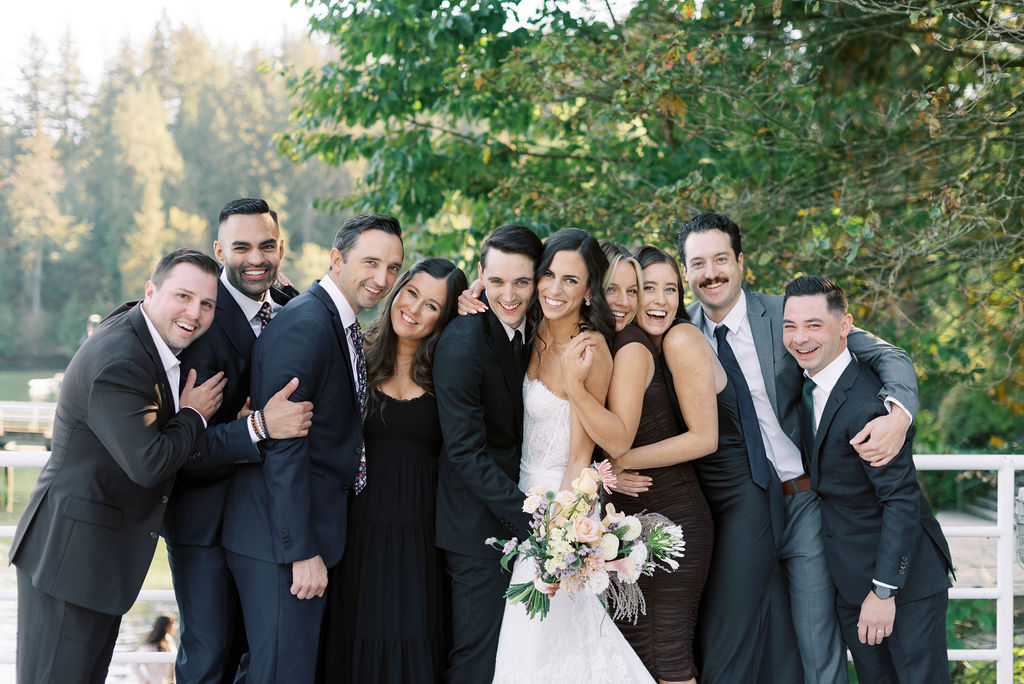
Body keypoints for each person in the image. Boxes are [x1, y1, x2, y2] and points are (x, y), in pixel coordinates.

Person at [677, 213, 921, 684]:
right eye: (698, 263)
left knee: (816, 640)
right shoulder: (677, 332)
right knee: (744, 640)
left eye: (721, 258)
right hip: (734, 513)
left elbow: (886, 354)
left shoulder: (788, 317)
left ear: (741, 262)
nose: (711, 273)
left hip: (801, 501)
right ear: (686, 272)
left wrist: (899, 413)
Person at [10, 248, 227, 684]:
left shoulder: (142, 331)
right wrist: (195, 415)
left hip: (96, 562)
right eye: (183, 296)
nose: (195, 313)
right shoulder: (121, 360)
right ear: (151, 292)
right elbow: (148, 462)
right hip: (70, 562)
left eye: (206, 304)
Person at [222, 214, 404, 684]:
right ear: (337, 259)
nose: (382, 279)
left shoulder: (331, 319)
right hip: (278, 540)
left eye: (392, 267)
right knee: (281, 674)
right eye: (370, 262)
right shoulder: (307, 324)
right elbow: (284, 447)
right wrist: (300, 550)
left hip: (302, 531)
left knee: (273, 671)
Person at [492, 227, 654, 683]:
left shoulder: (590, 347)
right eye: (549, 275)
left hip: (557, 509)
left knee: (538, 642)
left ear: (588, 292)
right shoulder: (529, 326)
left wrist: (561, 542)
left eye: (571, 281)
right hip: (515, 499)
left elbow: (583, 456)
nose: (554, 289)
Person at [165, 198, 313, 684]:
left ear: (281, 248)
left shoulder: (293, 308)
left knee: (262, 658)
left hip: (268, 522)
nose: (257, 258)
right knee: (209, 658)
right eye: (242, 247)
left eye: (267, 246)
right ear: (219, 249)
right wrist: (256, 425)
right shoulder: (194, 323)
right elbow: (181, 449)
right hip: (204, 520)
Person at [782, 275, 952, 684]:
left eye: (814, 325)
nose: (799, 337)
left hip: (899, 585)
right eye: (790, 325)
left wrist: (883, 592)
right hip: (851, 581)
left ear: (846, 327)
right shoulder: (808, 387)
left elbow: (901, 500)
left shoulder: (870, 407)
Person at [562, 245, 717, 684]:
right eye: (615, 288)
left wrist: (606, 467)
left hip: (672, 520)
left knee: (666, 656)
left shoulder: (630, 348)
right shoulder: (607, 344)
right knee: (640, 658)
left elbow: (618, 441)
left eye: (634, 290)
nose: (625, 301)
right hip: (634, 525)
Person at [319, 257, 467, 683]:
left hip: (424, 538)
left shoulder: (449, 372)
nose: (414, 309)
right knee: (355, 638)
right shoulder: (356, 356)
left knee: (419, 639)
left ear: (446, 316)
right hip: (358, 533)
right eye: (411, 293)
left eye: (432, 306)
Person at [433, 224, 542, 683]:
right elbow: (465, 453)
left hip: (518, 520)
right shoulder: (463, 341)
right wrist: (533, 521)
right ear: (480, 276)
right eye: (496, 281)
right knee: (477, 658)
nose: (509, 294)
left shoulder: (539, 330)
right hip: (477, 531)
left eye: (521, 281)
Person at [131, 614, 176, 684]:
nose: (175, 627)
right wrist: (144, 681)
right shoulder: (149, 646)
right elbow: (133, 663)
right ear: (165, 626)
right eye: (171, 624)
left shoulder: (169, 640)